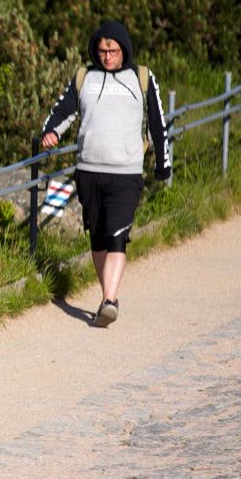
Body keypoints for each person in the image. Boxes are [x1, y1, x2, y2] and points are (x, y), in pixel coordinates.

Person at [40, 19, 171, 327]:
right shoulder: (85, 77)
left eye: (112, 51)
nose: (107, 57)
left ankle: (110, 300)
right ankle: (106, 296)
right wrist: (51, 132)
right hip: (88, 170)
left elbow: (157, 123)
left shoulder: (141, 77)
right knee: (98, 238)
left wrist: (162, 163)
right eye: (101, 51)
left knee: (117, 236)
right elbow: (63, 111)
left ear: (124, 49)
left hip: (126, 172)